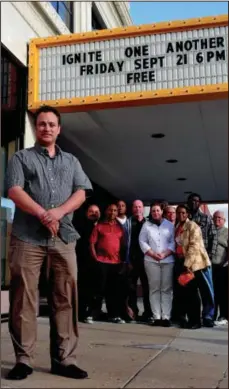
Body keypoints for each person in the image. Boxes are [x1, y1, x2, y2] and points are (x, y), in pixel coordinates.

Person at [6, 105, 92, 380]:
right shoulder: (20, 157)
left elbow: (81, 192)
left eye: (51, 124)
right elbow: (15, 191)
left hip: (63, 238)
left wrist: (57, 212)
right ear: (37, 128)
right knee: (24, 301)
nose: (46, 128)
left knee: (65, 299)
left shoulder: (72, 161)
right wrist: (43, 213)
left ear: (59, 129)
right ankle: (24, 360)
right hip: (26, 238)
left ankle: (64, 360)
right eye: (42, 124)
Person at [175, 204, 215, 329]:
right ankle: (189, 319)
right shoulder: (177, 227)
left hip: (196, 264)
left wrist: (187, 265)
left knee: (198, 293)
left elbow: (194, 246)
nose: (181, 215)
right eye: (179, 213)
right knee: (187, 293)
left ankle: (197, 321)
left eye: (183, 213)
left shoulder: (193, 226)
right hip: (183, 262)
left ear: (187, 214)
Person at [139, 202, 175, 327]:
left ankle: (166, 317)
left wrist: (165, 254)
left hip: (167, 261)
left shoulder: (169, 225)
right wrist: (152, 254)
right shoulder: (146, 225)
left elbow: (173, 241)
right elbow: (142, 241)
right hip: (151, 261)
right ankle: (156, 317)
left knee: (166, 289)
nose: (155, 213)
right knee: (154, 289)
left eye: (157, 210)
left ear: (161, 211)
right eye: (153, 211)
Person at [90, 204, 126, 324]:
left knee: (114, 291)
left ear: (117, 213)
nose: (112, 212)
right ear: (106, 211)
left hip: (115, 263)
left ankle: (114, 315)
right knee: (99, 289)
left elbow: (123, 245)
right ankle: (94, 314)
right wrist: (95, 258)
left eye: (115, 210)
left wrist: (122, 262)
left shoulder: (120, 228)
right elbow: (92, 243)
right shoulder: (99, 226)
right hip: (101, 262)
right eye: (110, 210)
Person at [126, 200, 153, 323]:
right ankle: (133, 312)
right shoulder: (128, 223)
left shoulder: (148, 223)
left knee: (147, 288)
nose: (137, 209)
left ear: (143, 209)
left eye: (140, 207)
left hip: (146, 260)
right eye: (135, 207)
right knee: (131, 288)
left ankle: (148, 313)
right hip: (132, 260)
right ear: (132, 209)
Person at [76, 204, 101, 324]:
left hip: (100, 263)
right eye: (91, 211)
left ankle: (94, 313)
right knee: (84, 289)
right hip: (84, 262)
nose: (94, 213)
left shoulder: (102, 226)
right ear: (86, 213)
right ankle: (82, 313)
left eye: (96, 211)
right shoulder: (81, 226)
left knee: (97, 290)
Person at [187, 193, 217, 260]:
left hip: (201, 255)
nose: (193, 202)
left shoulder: (206, 218)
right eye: (192, 200)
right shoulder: (183, 217)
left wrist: (210, 254)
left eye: (196, 201)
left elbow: (213, 236)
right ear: (188, 202)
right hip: (185, 255)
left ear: (200, 203)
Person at [212, 211, 228, 325]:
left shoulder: (227, 232)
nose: (217, 219)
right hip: (210, 267)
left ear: (224, 220)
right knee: (212, 292)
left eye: (219, 218)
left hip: (223, 267)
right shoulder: (210, 231)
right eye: (215, 217)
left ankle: (223, 316)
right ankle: (212, 315)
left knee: (222, 293)